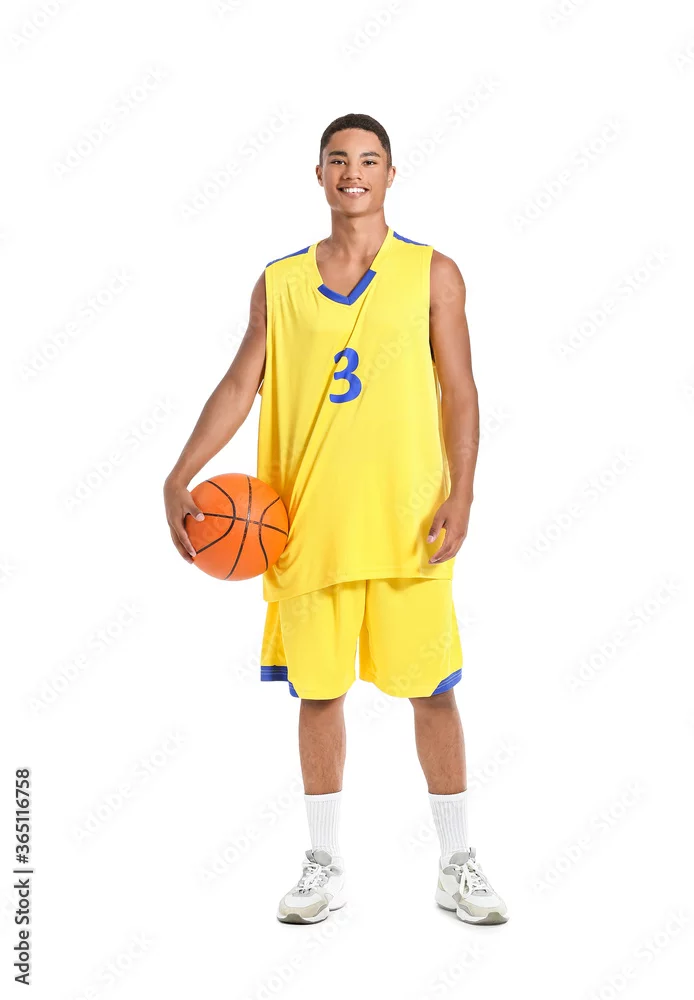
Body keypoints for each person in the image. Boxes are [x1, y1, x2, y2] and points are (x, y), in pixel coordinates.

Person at [163, 113, 508, 925]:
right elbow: (238, 385)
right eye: (339, 159)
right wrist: (179, 471)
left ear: (391, 173)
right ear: (318, 174)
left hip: (408, 526)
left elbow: (460, 391)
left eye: (370, 159)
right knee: (319, 697)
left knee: (432, 693)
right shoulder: (280, 283)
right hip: (305, 528)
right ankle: (323, 865)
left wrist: (462, 492)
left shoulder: (433, 273)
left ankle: (457, 863)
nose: (354, 171)